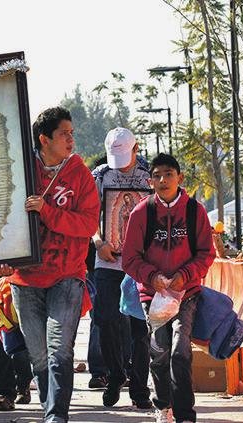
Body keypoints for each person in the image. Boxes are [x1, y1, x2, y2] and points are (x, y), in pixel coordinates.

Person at [0, 106, 100, 423]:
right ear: (44, 139)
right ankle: (49, 410)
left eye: (72, 132)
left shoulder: (80, 173)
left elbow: (87, 225)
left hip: (67, 276)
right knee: (38, 355)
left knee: (59, 350)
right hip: (24, 279)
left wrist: (47, 211)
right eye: (64, 134)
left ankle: (56, 416)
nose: (71, 139)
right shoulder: (18, 171)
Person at [122, 153, 216, 423]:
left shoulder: (194, 211)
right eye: (157, 175)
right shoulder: (142, 212)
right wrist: (153, 278)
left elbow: (205, 254)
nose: (163, 180)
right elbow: (130, 259)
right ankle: (163, 406)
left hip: (186, 293)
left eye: (168, 174)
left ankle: (186, 415)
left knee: (180, 350)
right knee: (159, 351)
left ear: (180, 178)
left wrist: (184, 275)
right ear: (150, 181)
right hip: (153, 296)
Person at [89, 128, 152, 410]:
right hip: (107, 259)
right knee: (104, 318)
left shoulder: (151, 175)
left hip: (142, 263)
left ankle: (139, 387)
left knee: (141, 327)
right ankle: (115, 373)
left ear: (136, 149)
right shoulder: (99, 176)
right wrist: (99, 242)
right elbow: (89, 216)